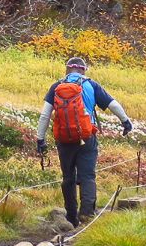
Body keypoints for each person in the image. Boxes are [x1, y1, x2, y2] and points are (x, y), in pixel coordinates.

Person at [35, 56, 133, 225]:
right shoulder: (91, 85)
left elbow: (45, 115)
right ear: (83, 70)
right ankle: (86, 215)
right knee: (87, 176)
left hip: (64, 140)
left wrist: (40, 139)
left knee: (68, 177)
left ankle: (71, 217)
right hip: (87, 137)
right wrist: (125, 122)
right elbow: (113, 104)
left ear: (67, 70)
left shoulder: (57, 86)